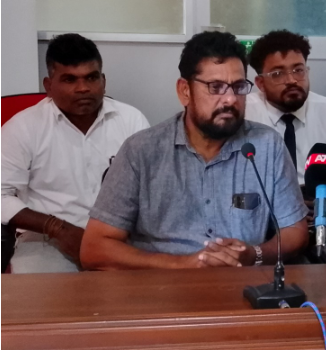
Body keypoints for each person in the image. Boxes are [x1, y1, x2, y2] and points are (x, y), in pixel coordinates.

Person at [80, 31, 309, 270]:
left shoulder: (266, 145)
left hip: (243, 282)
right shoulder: (141, 151)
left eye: (238, 87)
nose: (230, 100)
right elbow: (95, 248)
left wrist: (255, 255)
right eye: (216, 87)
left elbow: (295, 232)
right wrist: (184, 264)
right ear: (185, 91)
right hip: (163, 285)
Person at [0, 33, 149, 273]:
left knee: (149, 290)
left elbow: (152, 186)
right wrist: (57, 228)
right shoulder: (22, 128)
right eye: (69, 80)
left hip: (120, 236)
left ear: (103, 80)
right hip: (46, 239)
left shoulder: (131, 120)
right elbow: (1, 196)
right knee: (38, 294)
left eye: (91, 77)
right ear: (48, 86)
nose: (83, 88)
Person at [245, 30, 326, 185]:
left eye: (298, 70)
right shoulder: (245, 114)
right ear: (260, 83)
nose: (291, 80)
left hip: (319, 197)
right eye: (278, 74)